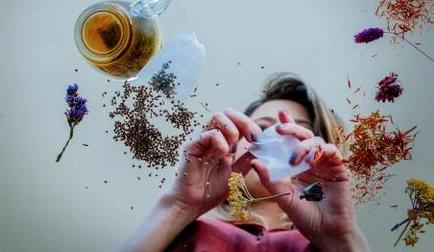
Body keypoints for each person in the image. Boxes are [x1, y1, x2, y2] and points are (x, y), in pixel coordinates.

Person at [118, 72, 371, 251]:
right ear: (233, 150)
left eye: (295, 133)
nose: (277, 140)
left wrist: (342, 240)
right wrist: (180, 205)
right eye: (261, 130)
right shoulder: (177, 233)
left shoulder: (332, 243)